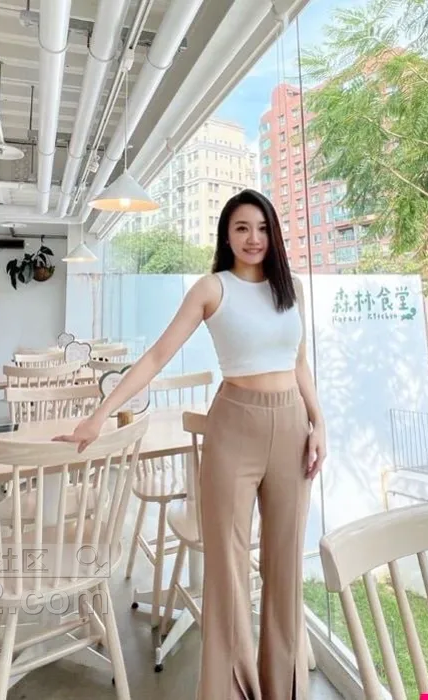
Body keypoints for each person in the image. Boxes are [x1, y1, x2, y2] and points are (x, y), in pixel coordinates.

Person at [53, 189, 326, 700]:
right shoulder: (211, 288)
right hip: (233, 428)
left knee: (285, 566)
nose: (253, 238)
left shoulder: (291, 290)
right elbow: (157, 357)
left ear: (274, 234)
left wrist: (319, 423)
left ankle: (282, 690)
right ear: (226, 235)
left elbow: (299, 362)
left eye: (262, 228)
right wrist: (98, 417)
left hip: (292, 427)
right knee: (227, 570)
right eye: (242, 228)